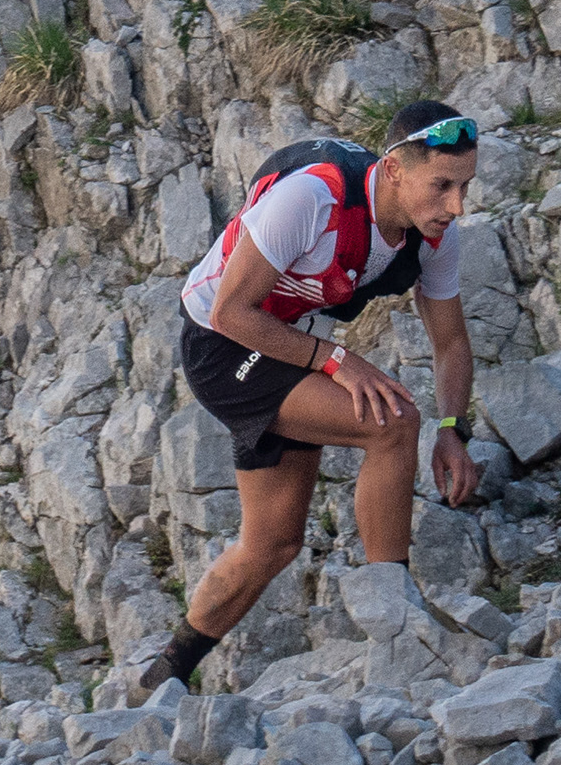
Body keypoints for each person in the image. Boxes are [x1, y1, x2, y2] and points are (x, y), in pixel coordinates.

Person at [141, 100, 485, 695]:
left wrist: (454, 428)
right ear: (394, 169)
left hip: (286, 344)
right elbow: (230, 313)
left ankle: (158, 681)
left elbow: (451, 342)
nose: (456, 206)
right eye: (442, 186)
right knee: (393, 421)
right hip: (224, 347)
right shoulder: (313, 197)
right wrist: (339, 360)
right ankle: (397, 629)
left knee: (271, 544)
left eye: (465, 186)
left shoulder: (433, 236)